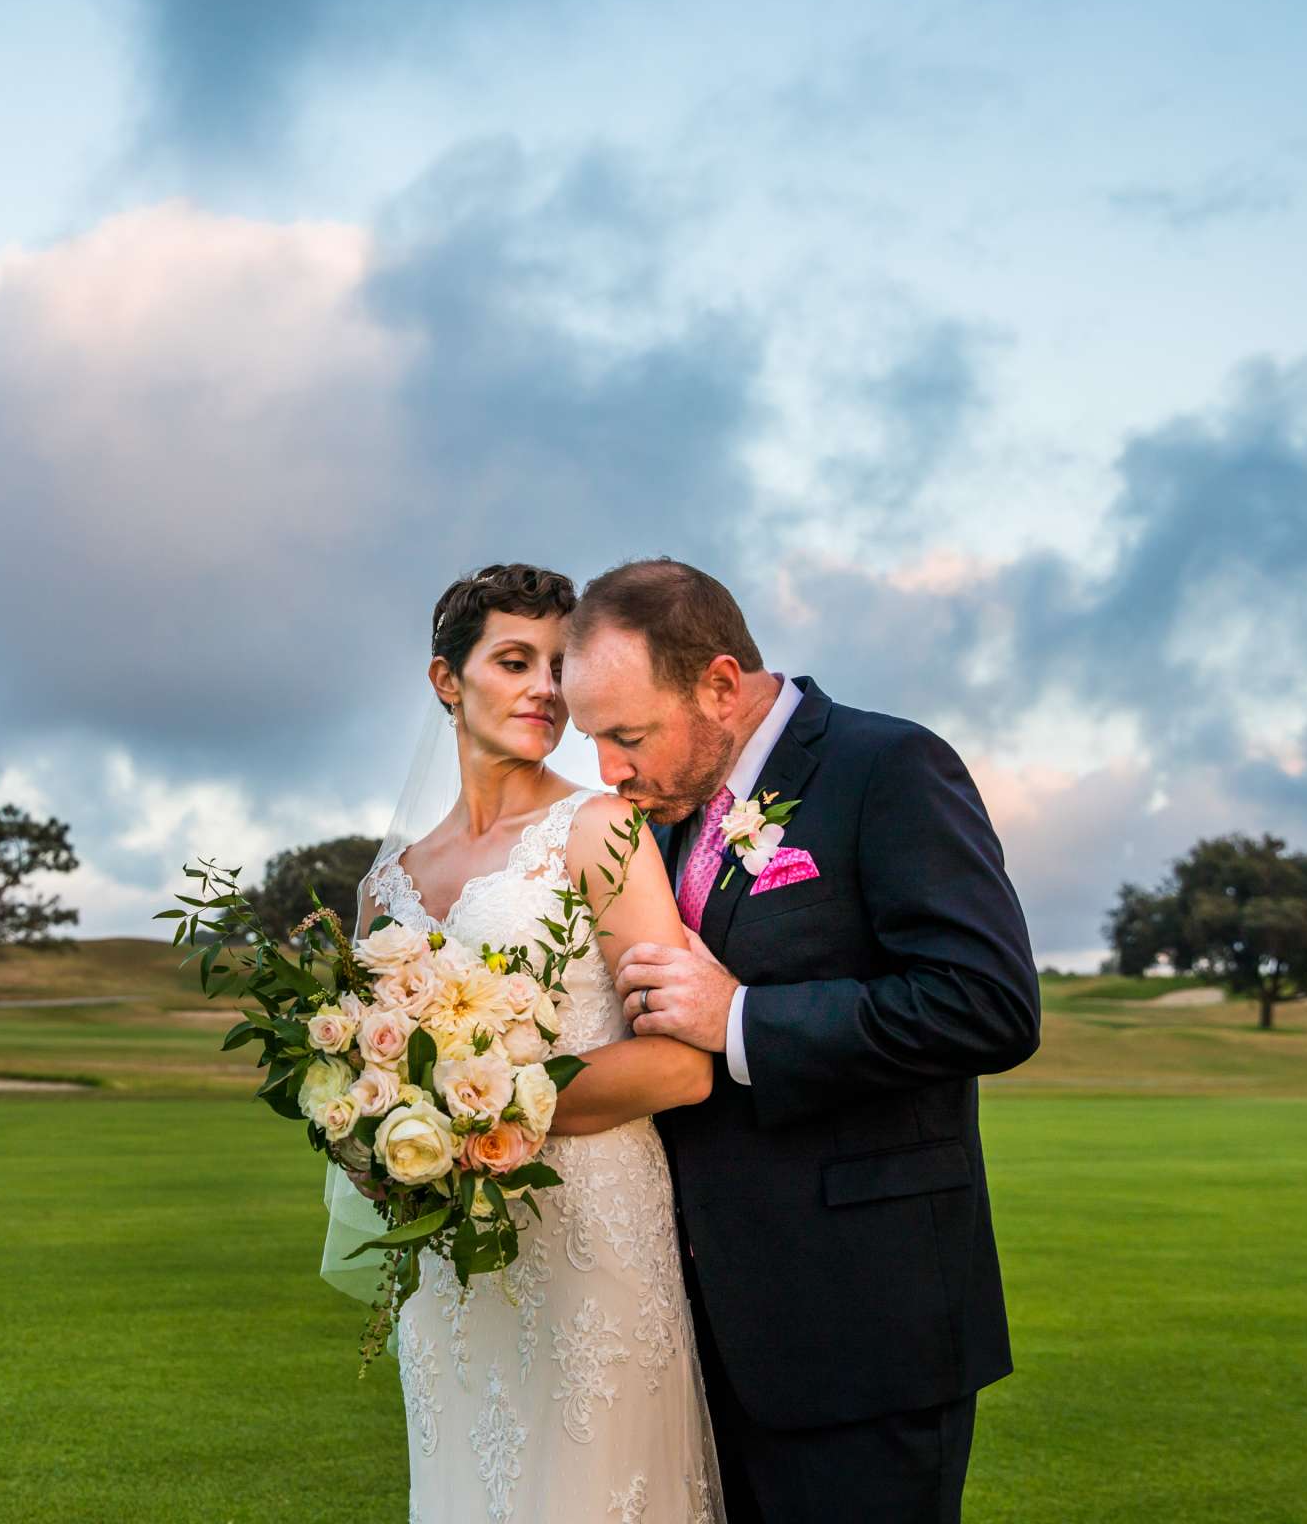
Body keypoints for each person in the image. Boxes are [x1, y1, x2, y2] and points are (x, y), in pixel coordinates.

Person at [562, 557, 1040, 1523]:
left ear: (721, 684)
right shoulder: (654, 825)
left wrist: (739, 1017)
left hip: (863, 1330)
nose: (611, 770)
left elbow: (987, 1002)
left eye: (627, 735)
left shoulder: (888, 768)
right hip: (692, 1338)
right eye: (595, 741)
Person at [357, 562, 727, 1524]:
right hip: (452, 1265)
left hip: (592, 1239)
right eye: (514, 660)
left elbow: (682, 1066)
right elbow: (366, 1076)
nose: (546, 690)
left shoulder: (600, 830)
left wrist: (472, 1111)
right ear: (448, 681)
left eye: (560, 666)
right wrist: (380, 1137)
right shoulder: (384, 888)